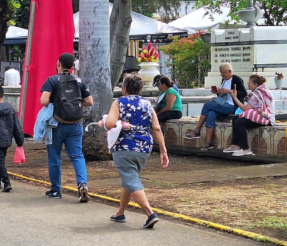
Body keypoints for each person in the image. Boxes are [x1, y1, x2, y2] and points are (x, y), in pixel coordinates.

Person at [106, 74, 169, 229]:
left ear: (124, 88)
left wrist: (118, 122)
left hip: (124, 146)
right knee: (129, 178)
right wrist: (163, 150)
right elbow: (156, 128)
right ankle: (120, 212)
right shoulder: (147, 104)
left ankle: (150, 214)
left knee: (131, 178)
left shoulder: (119, 102)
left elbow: (109, 124)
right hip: (144, 147)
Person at [40, 52, 93, 202]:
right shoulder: (79, 81)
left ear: (58, 63)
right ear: (72, 66)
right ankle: (82, 184)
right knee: (77, 155)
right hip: (76, 124)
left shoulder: (52, 80)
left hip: (56, 125)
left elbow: (44, 101)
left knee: (54, 156)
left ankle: (56, 189)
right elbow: (90, 101)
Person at [184, 63, 246, 150]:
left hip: (233, 106)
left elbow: (244, 93)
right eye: (221, 72)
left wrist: (229, 91)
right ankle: (209, 143)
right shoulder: (224, 80)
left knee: (207, 105)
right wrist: (218, 92)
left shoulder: (237, 80)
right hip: (223, 104)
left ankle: (197, 130)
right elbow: (222, 96)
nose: (222, 74)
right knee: (210, 113)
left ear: (229, 71)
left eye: (224, 72)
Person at [224, 74, 274, 156]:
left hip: (266, 119)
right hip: (262, 117)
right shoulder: (262, 91)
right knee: (235, 119)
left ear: (255, 85)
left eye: (249, 82)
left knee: (239, 122)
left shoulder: (257, 93)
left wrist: (235, 98)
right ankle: (235, 144)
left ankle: (245, 148)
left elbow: (244, 108)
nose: (248, 84)